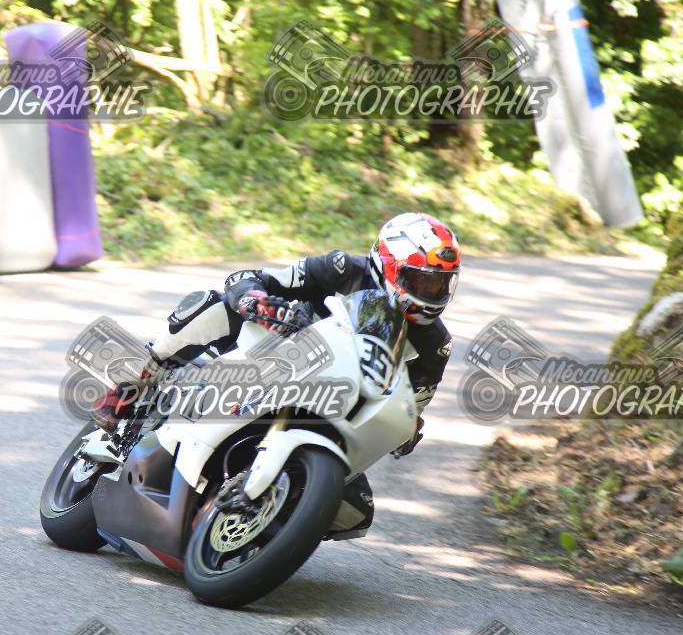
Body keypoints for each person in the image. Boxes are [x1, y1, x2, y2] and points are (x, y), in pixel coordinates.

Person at [90, 211, 461, 523]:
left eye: (439, 284)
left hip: (339, 403)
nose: (430, 293)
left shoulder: (435, 345)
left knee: (354, 510)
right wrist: (258, 302)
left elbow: (414, 401)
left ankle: (279, 510)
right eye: (420, 280)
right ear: (388, 265)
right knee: (212, 305)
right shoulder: (343, 269)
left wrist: (405, 428)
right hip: (276, 355)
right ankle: (133, 385)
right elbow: (253, 279)